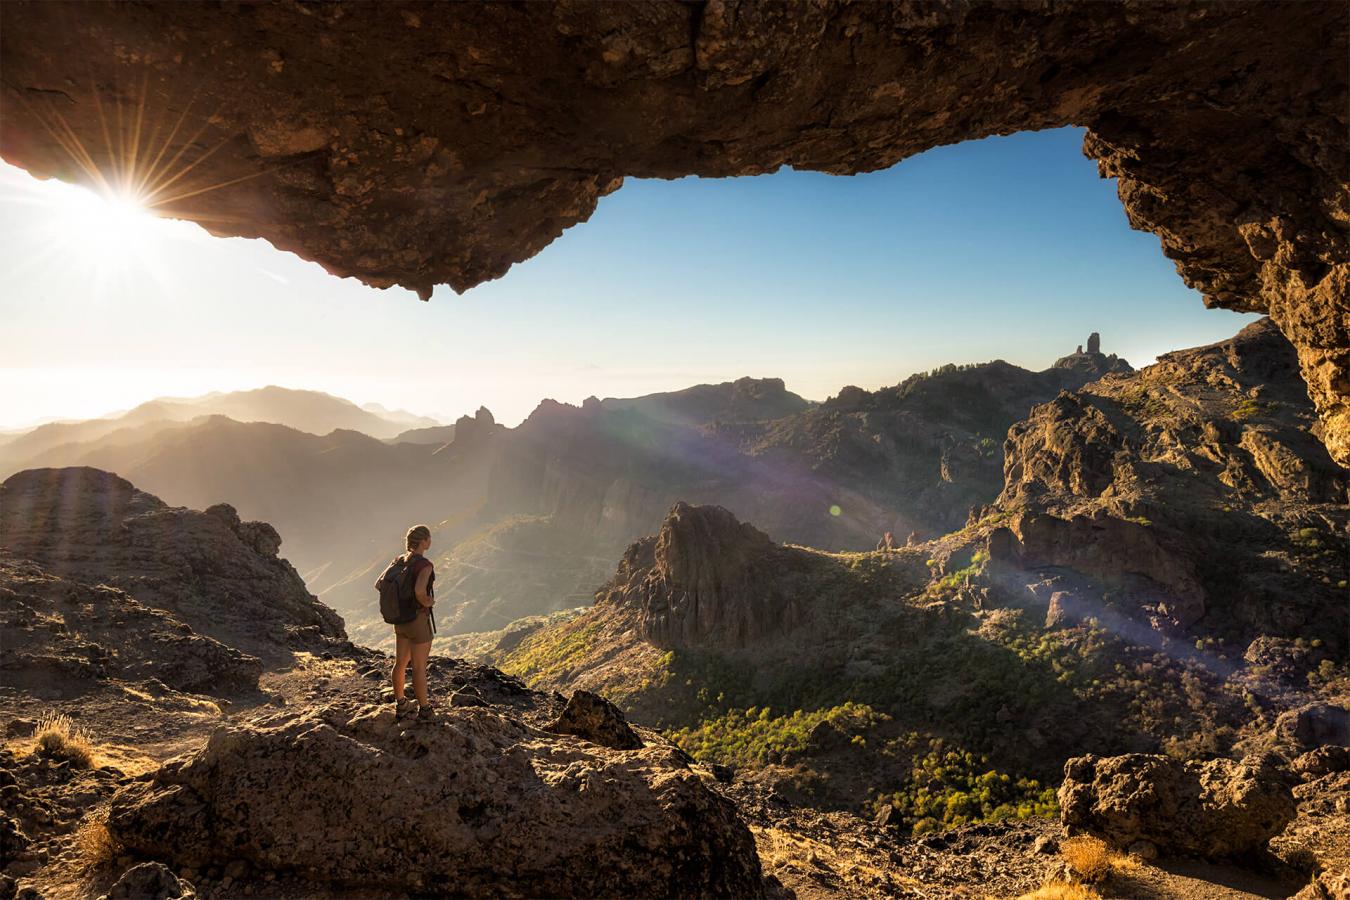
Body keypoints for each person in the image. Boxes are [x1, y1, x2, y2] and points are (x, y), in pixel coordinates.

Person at [391, 524, 436, 717]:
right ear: (423, 541)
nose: (431, 541)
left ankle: (401, 703)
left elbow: (379, 584)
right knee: (418, 667)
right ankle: (424, 710)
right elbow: (419, 590)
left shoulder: (399, 561)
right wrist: (428, 601)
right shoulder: (425, 565)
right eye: (429, 538)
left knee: (400, 662)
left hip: (400, 619)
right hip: (417, 620)